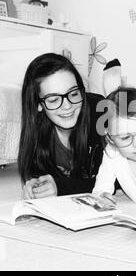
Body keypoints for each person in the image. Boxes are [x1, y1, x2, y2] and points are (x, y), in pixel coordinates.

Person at [18, 53, 106, 199]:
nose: (67, 106)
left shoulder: (101, 113)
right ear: (38, 105)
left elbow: (120, 180)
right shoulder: (36, 134)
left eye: (73, 93)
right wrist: (37, 188)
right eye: (53, 100)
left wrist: (62, 187)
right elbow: (37, 175)